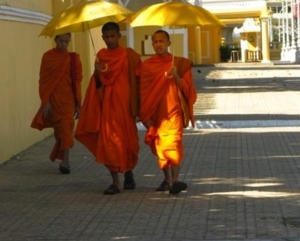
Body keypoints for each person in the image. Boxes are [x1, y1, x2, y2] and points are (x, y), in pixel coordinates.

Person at [75, 22, 141, 194]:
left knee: (128, 143)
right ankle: (115, 181)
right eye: (107, 37)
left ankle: (129, 172)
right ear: (102, 37)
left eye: (113, 36)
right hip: (108, 108)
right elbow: (97, 84)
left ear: (119, 36)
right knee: (110, 142)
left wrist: (140, 106)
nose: (110, 40)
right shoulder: (101, 56)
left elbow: (139, 81)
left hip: (126, 108)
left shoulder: (129, 55)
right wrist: (97, 74)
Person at [139, 30, 197, 195]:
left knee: (174, 144)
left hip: (174, 112)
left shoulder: (179, 64)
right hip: (156, 113)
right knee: (162, 147)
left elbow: (189, 91)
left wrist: (177, 77)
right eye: (155, 42)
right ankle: (168, 180)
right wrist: (145, 115)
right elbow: (143, 92)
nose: (158, 45)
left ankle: (175, 180)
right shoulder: (148, 65)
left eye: (162, 41)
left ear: (169, 43)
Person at [31, 33, 83, 174]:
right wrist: (45, 101)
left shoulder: (73, 59)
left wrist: (79, 103)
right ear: (55, 40)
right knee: (59, 130)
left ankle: (65, 161)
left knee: (66, 129)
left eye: (66, 41)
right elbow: (44, 81)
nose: (63, 44)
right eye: (61, 41)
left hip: (68, 101)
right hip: (53, 100)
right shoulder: (48, 57)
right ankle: (63, 155)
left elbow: (77, 81)